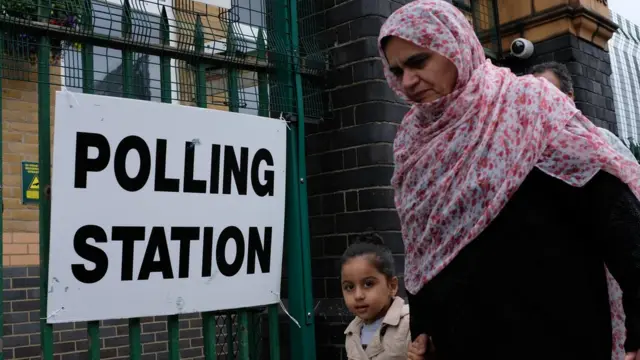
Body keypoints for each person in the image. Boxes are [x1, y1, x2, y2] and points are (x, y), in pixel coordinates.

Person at [378, 1, 640, 359]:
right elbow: (423, 249)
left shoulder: (527, 107)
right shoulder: (412, 143)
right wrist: (423, 328)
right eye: (396, 70)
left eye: (418, 62)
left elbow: (615, 213)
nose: (407, 81)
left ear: (456, 46)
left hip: (556, 336)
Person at [341, 232, 425, 359]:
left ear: (392, 286)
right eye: (349, 287)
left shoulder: (409, 324)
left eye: (368, 284)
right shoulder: (352, 333)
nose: (358, 295)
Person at [530, 61, 636, 161]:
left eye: (549, 91)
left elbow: (634, 176)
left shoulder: (604, 139)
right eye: (535, 94)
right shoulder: (527, 148)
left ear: (569, 96)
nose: (541, 101)